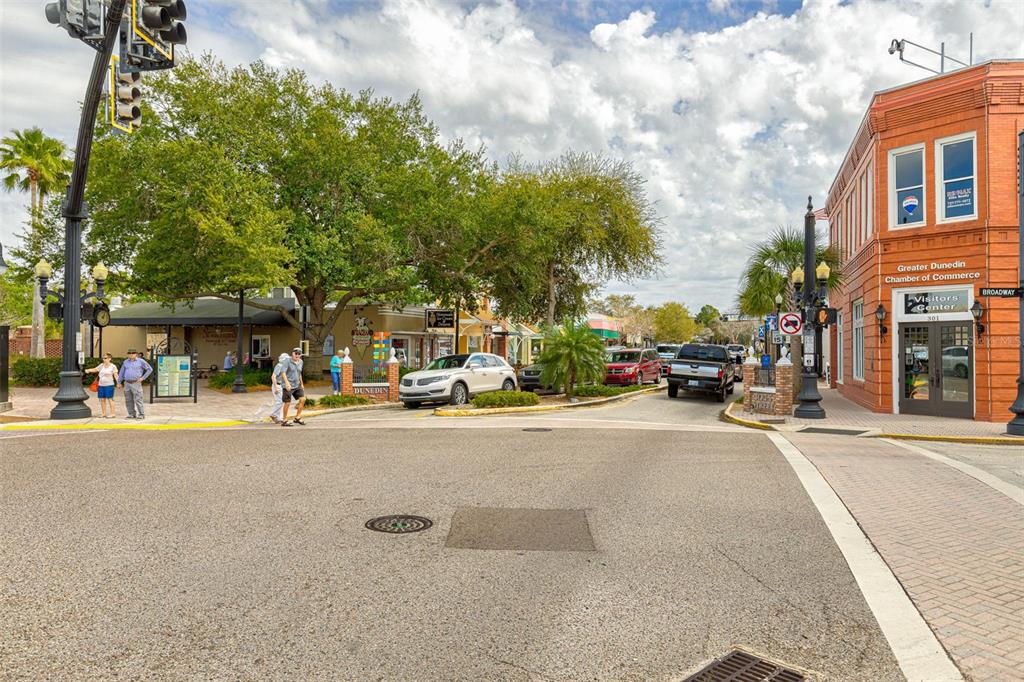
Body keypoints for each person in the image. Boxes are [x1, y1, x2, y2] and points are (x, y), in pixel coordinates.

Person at [118, 348, 152, 420]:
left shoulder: (141, 361)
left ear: (136, 354)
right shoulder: (125, 362)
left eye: (133, 353)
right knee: (128, 400)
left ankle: (141, 414)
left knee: (138, 399)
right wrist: (119, 382)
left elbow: (149, 369)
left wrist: (143, 378)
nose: (131, 354)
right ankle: (131, 414)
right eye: (129, 353)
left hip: (136, 383)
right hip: (127, 383)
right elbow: (121, 372)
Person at [85, 353, 119, 418]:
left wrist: (118, 383)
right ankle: (103, 413)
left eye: (105, 358)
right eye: (103, 358)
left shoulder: (113, 366)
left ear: (109, 359)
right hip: (101, 385)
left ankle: (112, 413)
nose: (104, 359)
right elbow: (95, 369)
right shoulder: (101, 365)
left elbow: (116, 375)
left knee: (110, 399)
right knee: (102, 399)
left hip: (109, 385)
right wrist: (89, 370)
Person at [278, 347, 306, 426]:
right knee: (287, 402)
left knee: (303, 399)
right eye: (296, 353)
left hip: (297, 384)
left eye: (299, 354)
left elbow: (299, 373)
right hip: (288, 385)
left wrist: (302, 383)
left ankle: (297, 417)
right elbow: (283, 372)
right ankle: (284, 420)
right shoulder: (287, 361)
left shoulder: (301, 361)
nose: (297, 355)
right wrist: (286, 383)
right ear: (292, 353)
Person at [269, 352, 289, 424]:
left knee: (280, 401)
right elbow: (273, 376)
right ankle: (273, 414)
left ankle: (277, 417)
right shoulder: (279, 366)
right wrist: (276, 387)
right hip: (276, 385)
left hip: (280, 385)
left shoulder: (284, 367)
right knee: (279, 401)